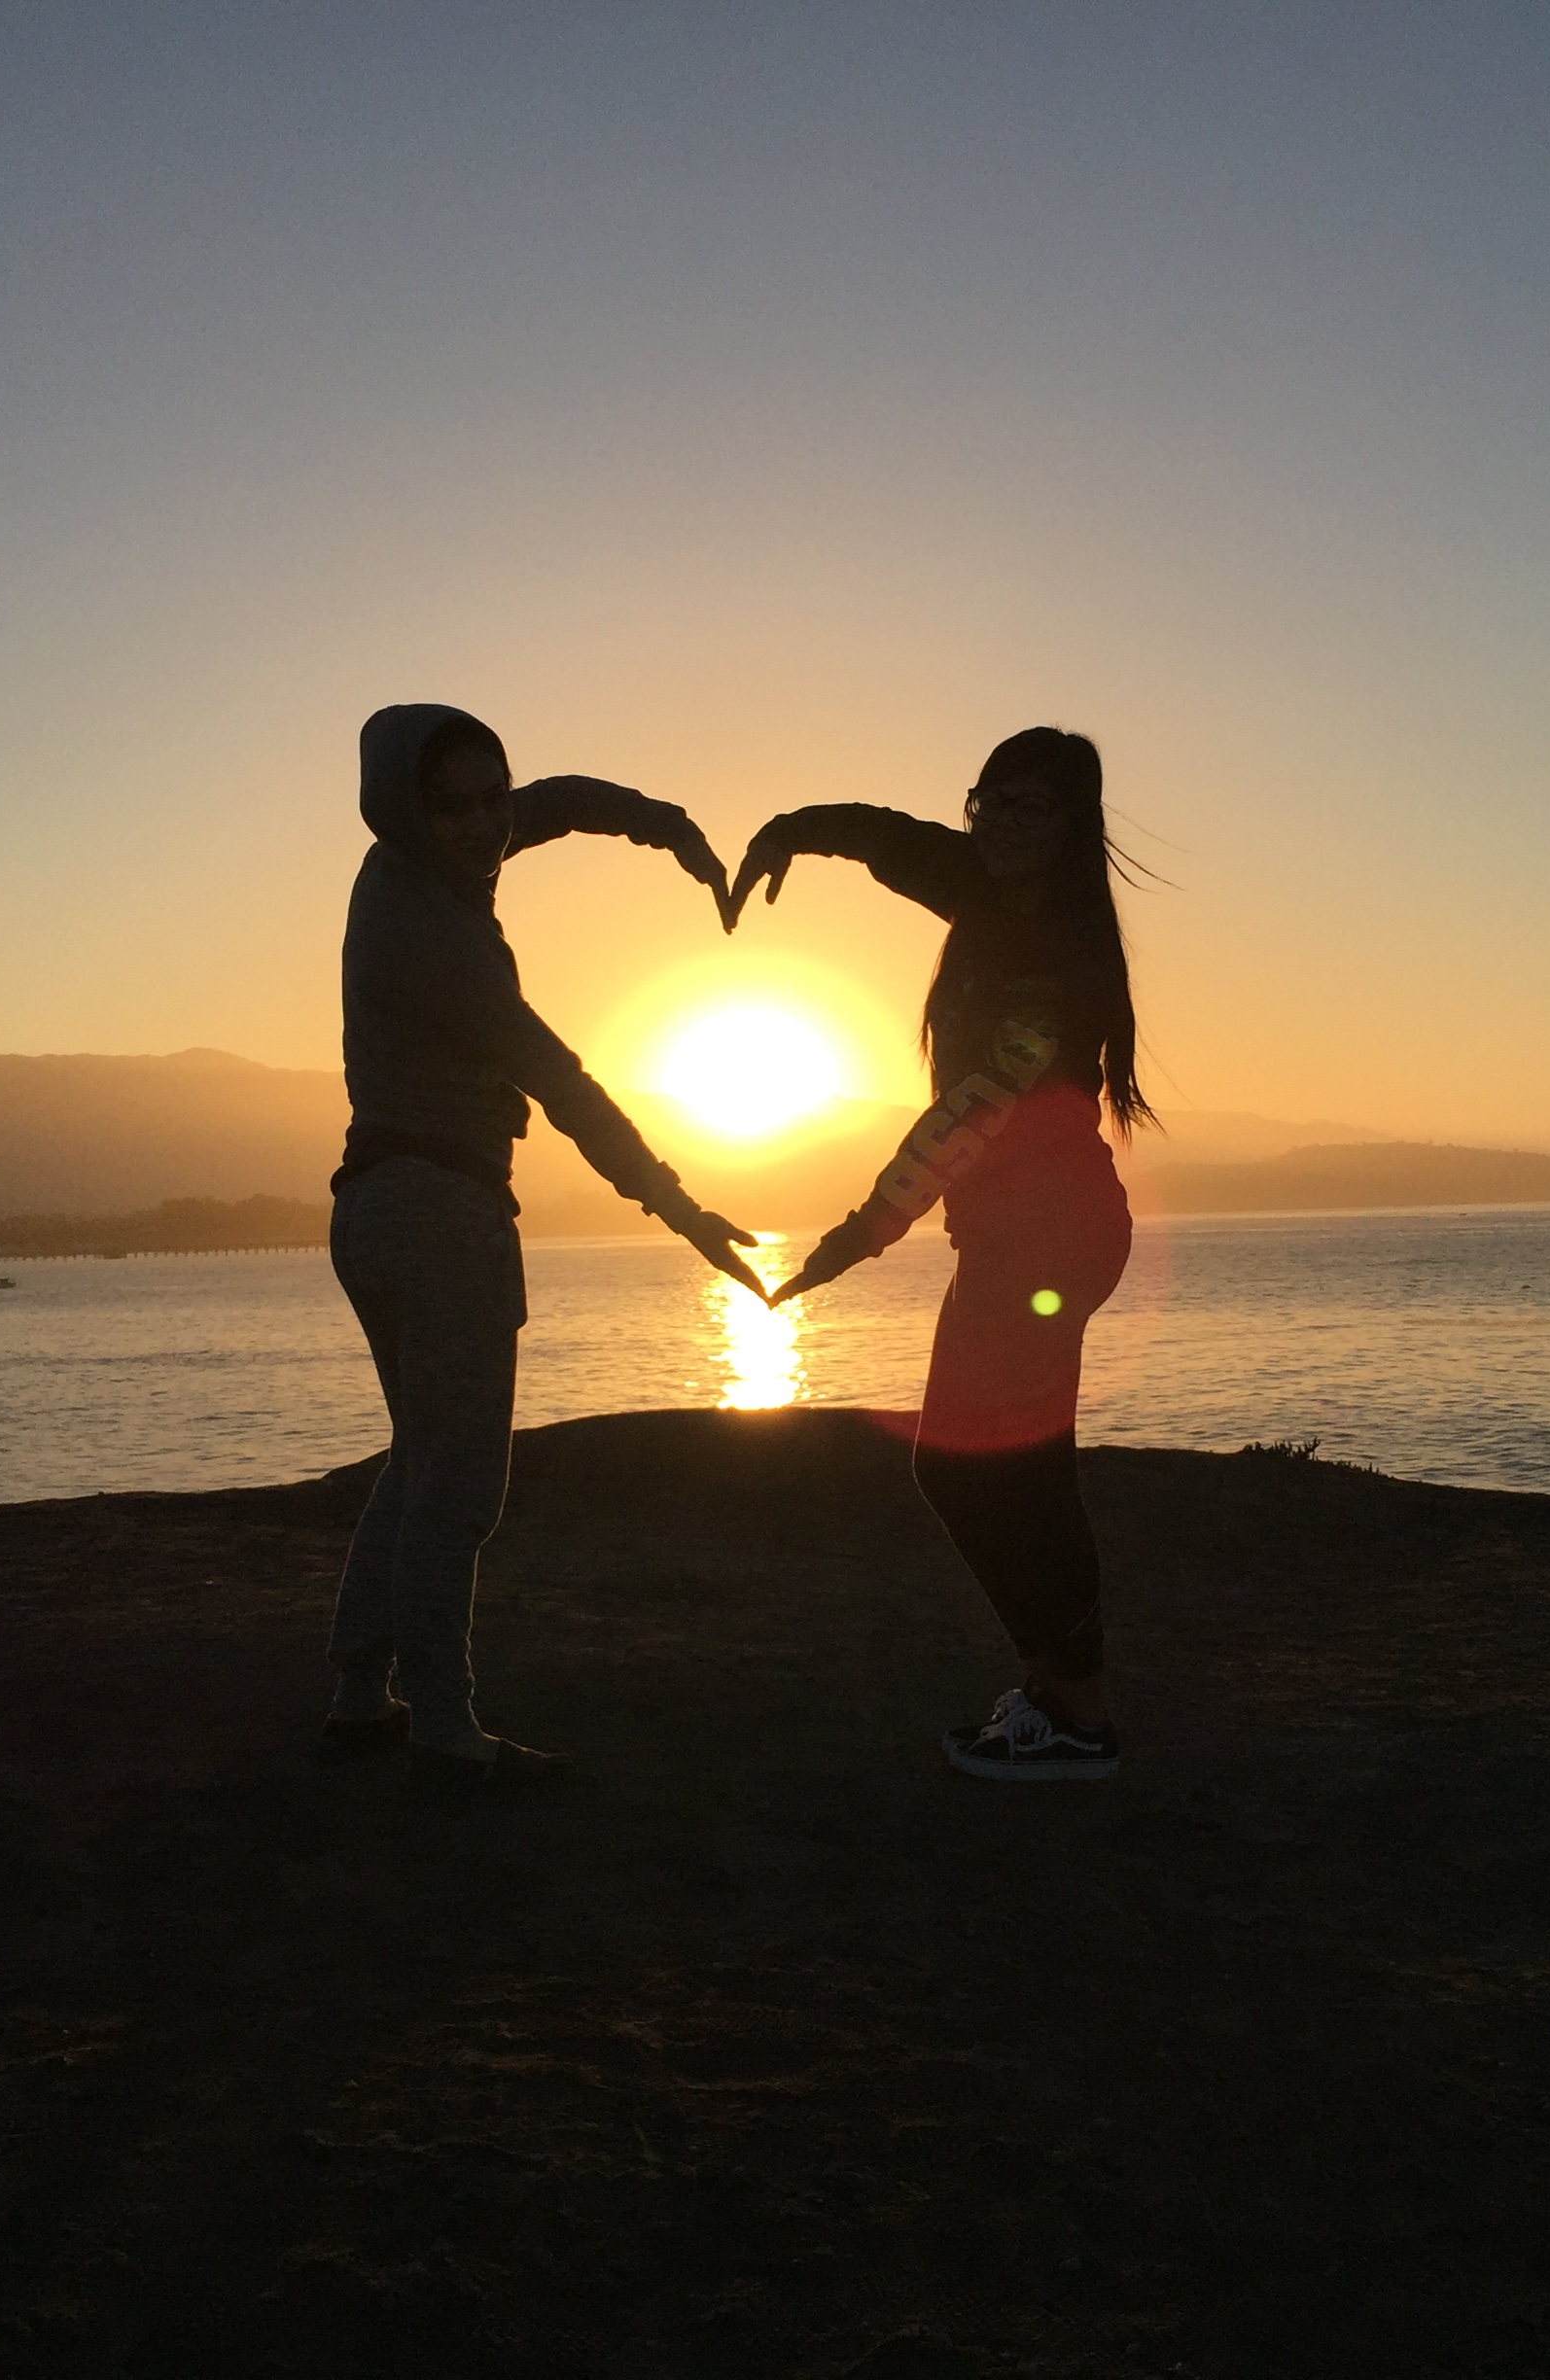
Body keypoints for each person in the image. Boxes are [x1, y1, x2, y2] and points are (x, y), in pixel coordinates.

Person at [326, 701, 762, 1795]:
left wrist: (657, 822)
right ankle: (445, 1727)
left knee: (417, 1461)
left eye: (489, 799)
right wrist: (683, 1210)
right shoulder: (436, 939)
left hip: (375, 1205)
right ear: (404, 808)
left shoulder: (405, 865)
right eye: (455, 806)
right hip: (441, 1218)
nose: (484, 826)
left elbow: (551, 808)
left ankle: (353, 1695)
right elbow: (560, 1080)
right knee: (459, 1490)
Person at [730, 726, 1153, 1781]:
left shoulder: (1060, 954)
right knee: (1003, 1471)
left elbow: (975, 1110)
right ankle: (1060, 1695)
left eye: (1033, 809)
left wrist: (858, 1234)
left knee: (990, 1474)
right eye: (990, 802)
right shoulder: (974, 882)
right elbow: (884, 838)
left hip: (1049, 1238)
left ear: (1074, 827)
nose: (1003, 827)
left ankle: (1079, 1711)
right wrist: (789, 831)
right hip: (1016, 1235)